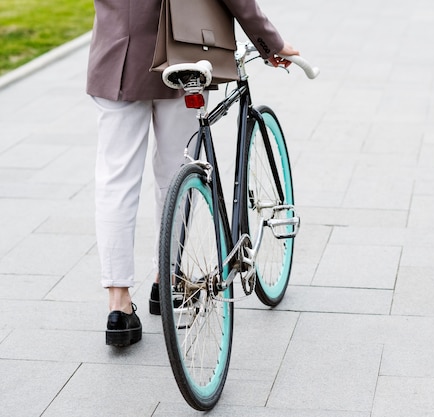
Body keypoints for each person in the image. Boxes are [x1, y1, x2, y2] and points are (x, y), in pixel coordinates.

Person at [86, 0, 299, 347]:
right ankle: (167, 280)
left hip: (117, 51)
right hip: (178, 48)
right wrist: (269, 40)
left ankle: (118, 305)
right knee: (175, 176)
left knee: (115, 182)